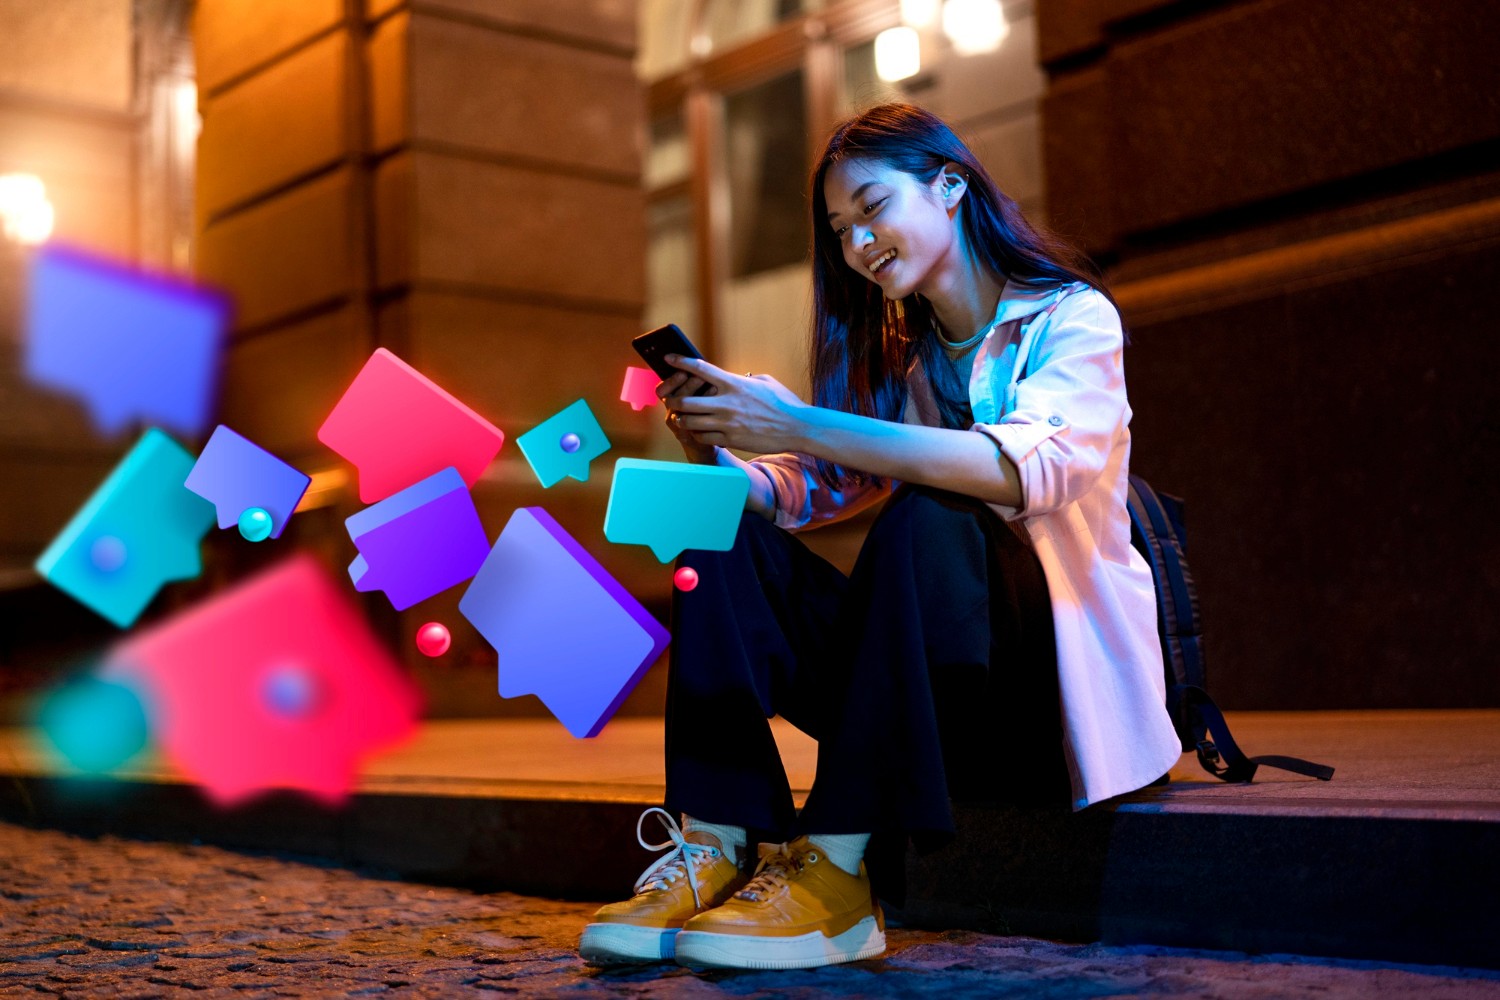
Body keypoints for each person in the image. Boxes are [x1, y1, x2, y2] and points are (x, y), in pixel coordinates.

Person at [578, 102, 1180, 971]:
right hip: (932, 696)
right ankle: (717, 841)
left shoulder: (1072, 319)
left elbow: (1023, 474)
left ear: (948, 186)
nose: (858, 243)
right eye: (841, 229)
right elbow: (809, 488)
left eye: (872, 208)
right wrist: (713, 443)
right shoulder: (909, 365)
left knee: (931, 509)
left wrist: (798, 420)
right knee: (718, 536)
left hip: (1042, 699)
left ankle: (837, 868)